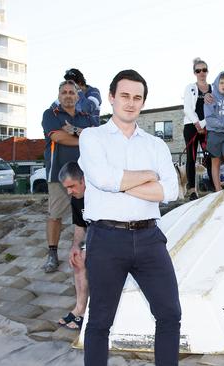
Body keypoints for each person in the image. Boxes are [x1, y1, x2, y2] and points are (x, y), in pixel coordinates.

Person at [78, 70, 181, 366]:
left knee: (170, 314)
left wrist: (122, 184)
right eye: (124, 95)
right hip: (106, 240)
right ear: (111, 97)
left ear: (143, 102)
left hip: (149, 239)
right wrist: (149, 177)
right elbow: (101, 178)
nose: (130, 102)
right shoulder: (92, 136)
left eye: (137, 97)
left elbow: (171, 191)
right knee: (99, 321)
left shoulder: (155, 145)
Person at [41, 80, 98, 273]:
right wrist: (85, 137)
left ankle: (92, 251)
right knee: (55, 215)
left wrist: (74, 131)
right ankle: (52, 254)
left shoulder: (87, 116)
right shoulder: (50, 115)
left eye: (71, 92)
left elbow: (97, 138)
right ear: (59, 96)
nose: (67, 95)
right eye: (63, 92)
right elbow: (58, 137)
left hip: (85, 176)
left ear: (77, 96)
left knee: (91, 213)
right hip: (59, 174)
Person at [56, 161, 88, 330]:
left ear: (83, 180)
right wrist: (76, 246)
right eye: (66, 188)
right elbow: (79, 226)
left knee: (85, 258)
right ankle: (79, 308)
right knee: (77, 259)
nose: (69, 191)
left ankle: (88, 312)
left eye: (72, 186)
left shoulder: (99, 193)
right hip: (96, 240)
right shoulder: (76, 199)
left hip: (114, 238)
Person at [182, 57, 214, 199]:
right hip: (191, 126)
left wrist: (203, 124)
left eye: (204, 70)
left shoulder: (213, 88)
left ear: (207, 71)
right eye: (198, 70)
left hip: (207, 125)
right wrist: (197, 123)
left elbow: (215, 109)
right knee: (192, 157)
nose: (201, 73)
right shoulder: (190, 88)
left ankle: (214, 184)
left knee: (211, 156)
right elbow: (187, 108)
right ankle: (192, 189)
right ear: (194, 72)